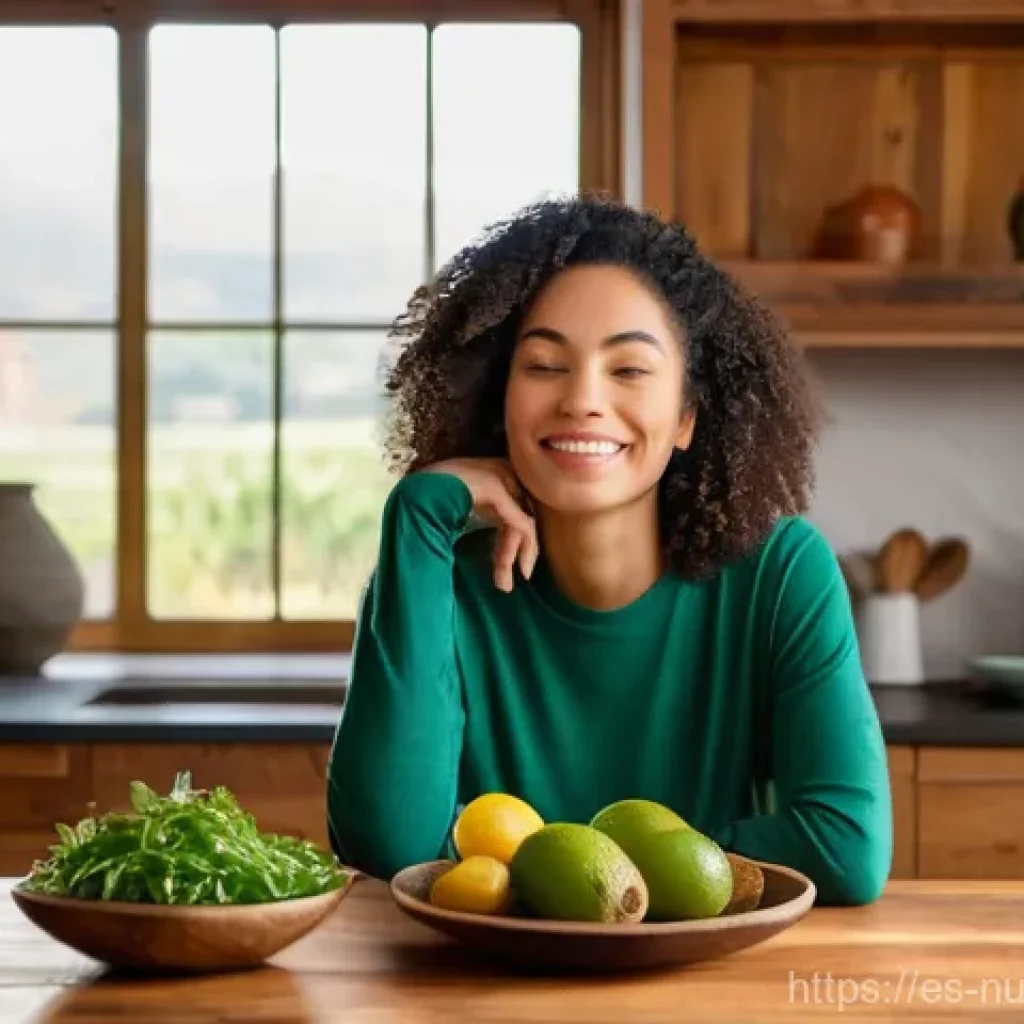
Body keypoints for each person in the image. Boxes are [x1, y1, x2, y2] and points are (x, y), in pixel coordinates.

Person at [326, 194, 892, 905]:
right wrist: (413, 514)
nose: (582, 400)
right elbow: (386, 847)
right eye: (543, 365)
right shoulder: (436, 570)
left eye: (628, 370)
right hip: (481, 994)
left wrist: (588, 881)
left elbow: (847, 849)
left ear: (687, 416)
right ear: (500, 399)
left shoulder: (779, 573)